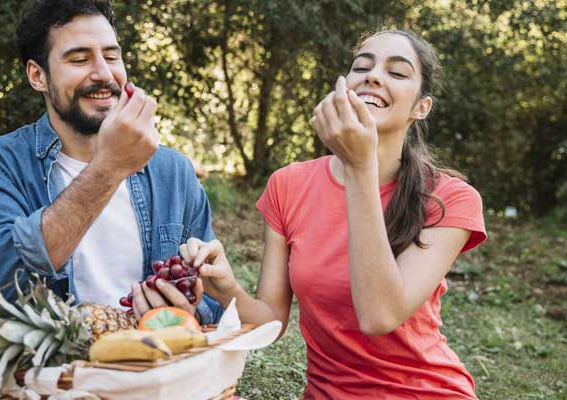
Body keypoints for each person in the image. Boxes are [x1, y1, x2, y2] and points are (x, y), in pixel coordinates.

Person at [0, 1, 220, 398]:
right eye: (79, 59)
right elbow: (6, 279)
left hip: (148, 369)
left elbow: (211, 304)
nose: (103, 73)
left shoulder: (172, 171)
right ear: (38, 75)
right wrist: (108, 167)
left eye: (112, 56)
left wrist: (185, 309)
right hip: (39, 376)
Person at [182, 30, 487, 399]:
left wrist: (360, 167)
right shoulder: (288, 184)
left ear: (421, 108)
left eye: (398, 72)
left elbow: (379, 316)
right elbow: (271, 324)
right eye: (362, 66)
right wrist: (227, 288)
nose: (373, 76)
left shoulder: (450, 198)